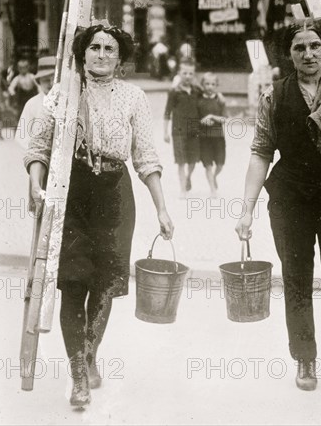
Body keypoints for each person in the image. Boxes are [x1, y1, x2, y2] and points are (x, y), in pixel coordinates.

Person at [24, 24, 174, 408]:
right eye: (94, 48)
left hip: (114, 195)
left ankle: (90, 355)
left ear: (120, 59)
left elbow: (145, 155)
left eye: (110, 49)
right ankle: (78, 373)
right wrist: (35, 185)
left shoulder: (134, 97)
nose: (102, 54)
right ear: (82, 54)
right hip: (70, 193)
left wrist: (161, 206)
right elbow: (39, 146)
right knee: (74, 284)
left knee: (105, 285)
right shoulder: (63, 94)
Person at [235, 18, 321, 407]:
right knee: (296, 281)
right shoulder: (274, 97)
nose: (308, 53)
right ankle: (305, 360)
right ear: (289, 54)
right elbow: (261, 152)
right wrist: (246, 211)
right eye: (299, 48)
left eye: (315, 45)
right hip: (291, 201)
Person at [164, 60, 201, 198]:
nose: (187, 76)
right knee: (180, 161)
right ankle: (182, 189)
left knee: (192, 161)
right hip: (178, 130)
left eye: (190, 73)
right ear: (179, 74)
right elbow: (167, 112)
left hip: (194, 130)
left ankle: (188, 176)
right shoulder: (174, 92)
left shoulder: (198, 91)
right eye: (184, 73)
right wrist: (165, 132)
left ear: (194, 75)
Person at [15, 55, 56, 150]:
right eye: (46, 80)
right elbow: (21, 136)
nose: (50, 84)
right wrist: (34, 152)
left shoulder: (65, 102)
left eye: (54, 80)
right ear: (39, 81)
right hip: (38, 154)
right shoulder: (32, 104)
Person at [198, 73, 227, 198]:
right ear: (202, 85)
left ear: (216, 86)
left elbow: (224, 119)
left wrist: (212, 117)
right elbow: (194, 118)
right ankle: (212, 190)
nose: (210, 87)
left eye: (213, 84)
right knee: (208, 164)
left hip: (218, 137)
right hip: (204, 138)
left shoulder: (220, 100)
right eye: (207, 84)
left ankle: (215, 177)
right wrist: (201, 121)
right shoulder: (198, 100)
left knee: (220, 164)